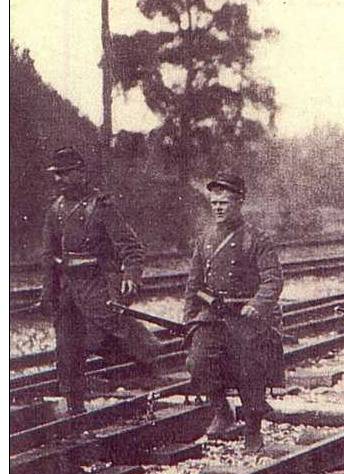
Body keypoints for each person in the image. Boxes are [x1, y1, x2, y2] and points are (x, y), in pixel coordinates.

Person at [39, 147, 160, 415]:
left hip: (98, 285)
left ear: (80, 174)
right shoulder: (55, 210)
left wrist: (131, 275)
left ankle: (150, 370)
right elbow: (49, 256)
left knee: (117, 335)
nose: (58, 179)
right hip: (68, 289)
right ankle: (74, 406)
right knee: (67, 346)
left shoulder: (101, 206)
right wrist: (49, 292)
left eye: (64, 174)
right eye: (56, 175)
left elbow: (131, 247)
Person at [183, 172, 284, 454]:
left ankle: (253, 431)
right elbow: (194, 285)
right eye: (214, 203)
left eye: (224, 202)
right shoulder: (204, 240)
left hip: (246, 316)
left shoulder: (256, 239)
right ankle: (223, 412)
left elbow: (273, 279)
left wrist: (257, 304)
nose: (218, 207)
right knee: (198, 362)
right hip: (212, 315)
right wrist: (189, 320)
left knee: (250, 371)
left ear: (239, 203)